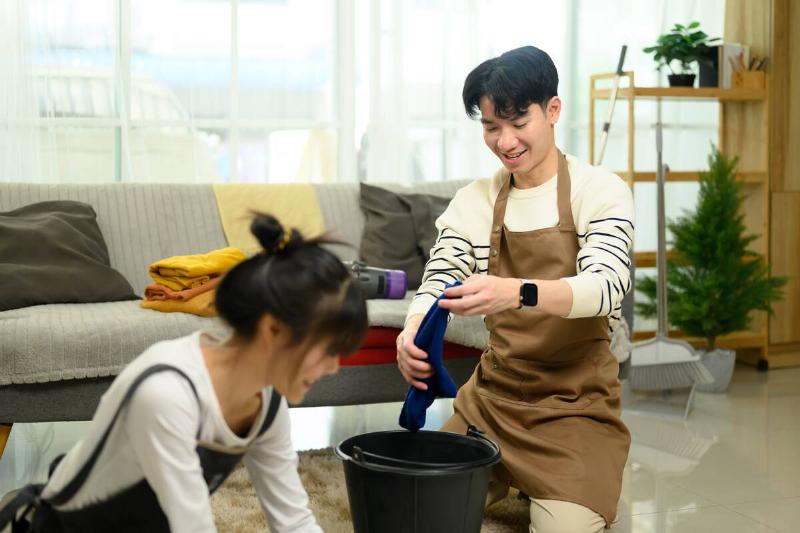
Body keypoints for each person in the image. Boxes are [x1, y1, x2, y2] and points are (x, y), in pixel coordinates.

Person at [2, 214, 367, 533]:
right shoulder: (166, 391)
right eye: (329, 349)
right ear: (274, 329)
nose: (334, 367)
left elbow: (294, 522)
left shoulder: (266, 404)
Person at [396, 45, 633, 532]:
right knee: (417, 513)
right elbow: (439, 275)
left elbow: (607, 286)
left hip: (575, 408)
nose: (504, 141)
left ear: (551, 110)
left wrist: (517, 292)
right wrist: (412, 330)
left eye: (517, 122)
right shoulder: (477, 199)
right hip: (492, 400)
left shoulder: (600, 189)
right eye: (489, 126)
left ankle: (569, 490)